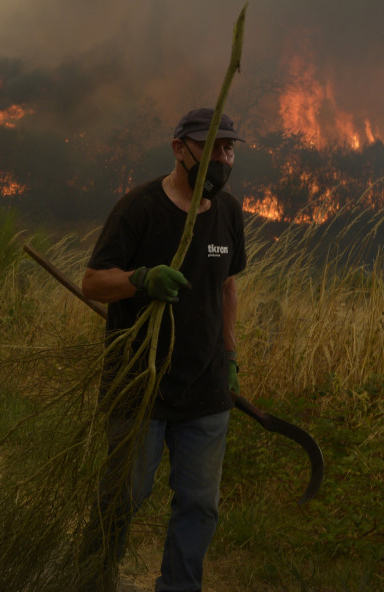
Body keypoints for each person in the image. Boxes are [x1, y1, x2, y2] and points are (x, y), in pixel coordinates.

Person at [80, 107, 246, 592]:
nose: (222, 157)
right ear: (180, 148)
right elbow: (92, 281)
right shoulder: (139, 208)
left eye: (228, 148)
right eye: (212, 146)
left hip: (207, 389)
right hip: (141, 383)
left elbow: (227, 287)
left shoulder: (231, 213)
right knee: (124, 495)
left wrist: (230, 357)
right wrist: (140, 280)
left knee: (199, 503)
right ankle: (92, 579)